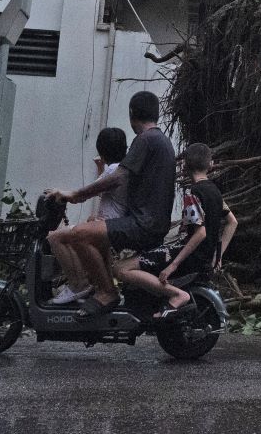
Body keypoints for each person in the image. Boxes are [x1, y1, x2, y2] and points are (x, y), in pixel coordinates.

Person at [47, 91, 176, 318]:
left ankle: (106, 292)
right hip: (151, 221)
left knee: (79, 234)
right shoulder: (162, 141)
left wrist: (76, 195)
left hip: (141, 223)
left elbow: (117, 177)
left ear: (132, 114)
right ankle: (100, 288)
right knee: (90, 232)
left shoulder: (146, 140)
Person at [115, 143, 224, 319]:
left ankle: (176, 294)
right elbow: (231, 222)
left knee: (121, 268)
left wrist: (173, 266)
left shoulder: (193, 193)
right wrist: (217, 256)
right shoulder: (216, 192)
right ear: (210, 164)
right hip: (202, 257)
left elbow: (200, 233)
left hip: (187, 256)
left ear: (184, 166)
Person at [47, 127, 129, 305]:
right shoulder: (119, 169)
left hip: (107, 226)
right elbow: (102, 190)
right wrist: (101, 167)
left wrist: (61, 193)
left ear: (102, 150)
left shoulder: (113, 170)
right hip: (113, 225)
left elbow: (84, 194)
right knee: (82, 229)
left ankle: (78, 285)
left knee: (55, 237)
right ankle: (101, 286)